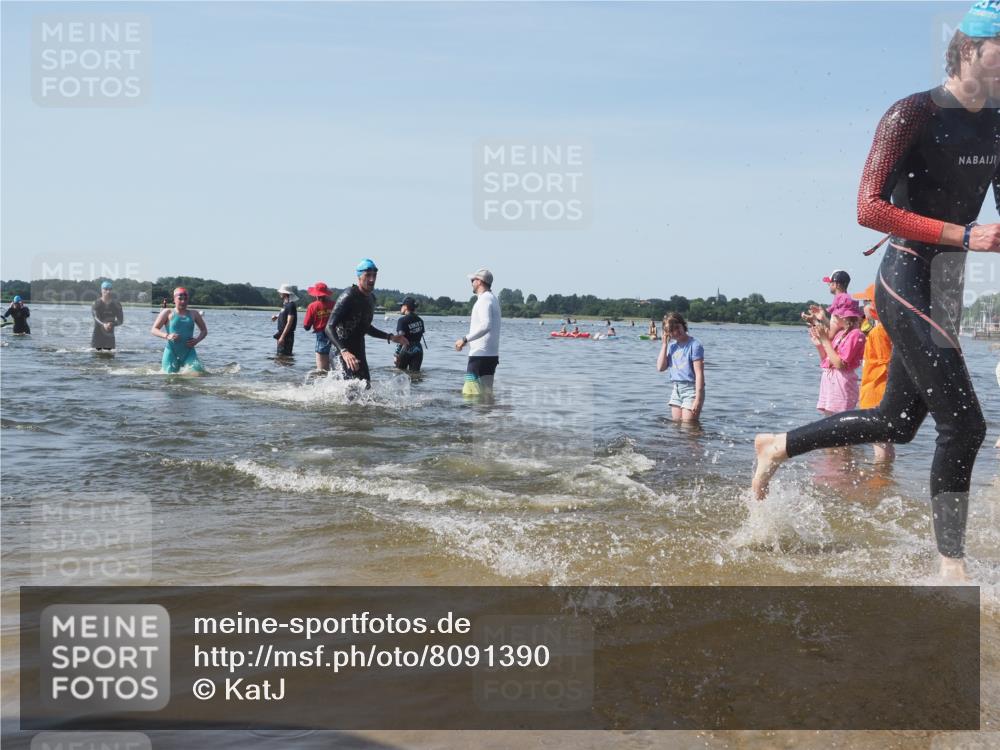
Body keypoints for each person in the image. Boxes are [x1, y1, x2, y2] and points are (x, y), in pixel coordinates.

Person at [754, 1, 1000, 580]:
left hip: (946, 286)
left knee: (896, 422)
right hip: (906, 275)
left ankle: (777, 445)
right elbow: (868, 207)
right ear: (969, 49)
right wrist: (964, 234)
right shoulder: (912, 113)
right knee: (965, 425)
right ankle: (951, 569)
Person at [324, 259, 408, 384]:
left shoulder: (371, 299)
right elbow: (329, 327)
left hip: (358, 349)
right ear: (359, 277)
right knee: (347, 388)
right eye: (368, 275)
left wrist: (390, 337)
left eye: (374, 275)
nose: (372, 279)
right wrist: (344, 351)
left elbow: (366, 327)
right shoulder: (348, 296)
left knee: (366, 386)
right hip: (341, 351)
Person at [853, 283, 895, 462]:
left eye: (865, 302)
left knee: (879, 443)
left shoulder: (878, 332)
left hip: (876, 391)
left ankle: (880, 475)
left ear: (873, 306)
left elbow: (886, 364)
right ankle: (886, 473)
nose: (863, 307)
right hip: (882, 391)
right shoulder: (888, 327)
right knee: (885, 442)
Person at [809, 294, 865, 416]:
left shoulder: (856, 334)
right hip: (830, 382)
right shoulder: (840, 334)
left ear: (842, 316)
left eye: (834, 315)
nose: (832, 318)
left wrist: (825, 341)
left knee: (839, 421)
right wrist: (819, 345)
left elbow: (840, 364)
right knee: (829, 421)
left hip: (841, 384)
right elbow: (827, 360)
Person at [455, 268, 501, 396]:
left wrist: (465, 339)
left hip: (479, 357)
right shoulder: (493, 299)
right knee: (486, 396)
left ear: (479, 281)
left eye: (473, 280)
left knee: (470, 395)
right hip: (491, 356)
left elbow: (486, 325)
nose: (471, 283)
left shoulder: (484, 300)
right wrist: (467, 343)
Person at [656, 313, 704, 422]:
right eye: (671, 330)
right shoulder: (672, 347)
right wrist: (664, 344)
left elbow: (699, 374)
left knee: (688, 426)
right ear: (667, 333)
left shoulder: (694, 345)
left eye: (677, 327)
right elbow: (660, 368)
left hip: (691, 390)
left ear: (683, 325)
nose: (675, 332)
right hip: (676, 389)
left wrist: (698, 398)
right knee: (677, 426)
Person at [151, 287, 207, 373]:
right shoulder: (167, 312)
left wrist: (197, 340)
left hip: (189, 352)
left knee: (197, 373)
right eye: (180, 299)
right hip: (171, 352)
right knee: (169, 377)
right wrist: (167, 336)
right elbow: (154, 329)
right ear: (174, 299)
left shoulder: (194, 314)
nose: (183, 301)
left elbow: (204, 330)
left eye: (185, 299)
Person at [302, 281, 335, 371]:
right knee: (337, 367)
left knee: (322, 370)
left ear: (316, 294)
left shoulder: (312, 306)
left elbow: (306, 326)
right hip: (335, 336)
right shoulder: (334, 304)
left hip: (322, 336)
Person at [394, 296, 426, 372]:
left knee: (399, 373)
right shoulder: (420, 320)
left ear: (405, 307)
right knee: (415, 374)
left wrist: (396, 354)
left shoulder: (402, 320)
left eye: (401, 306)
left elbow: (401, 337)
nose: (400, 308)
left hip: (406, 348)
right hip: (418, 349)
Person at [91, 281, 123, 350]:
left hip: (110, 336)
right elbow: (95, 317)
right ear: (101, 290)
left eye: (110, 289)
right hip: (97, 336)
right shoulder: (96, 303)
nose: (108, 291)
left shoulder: (117, 304)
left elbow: (120, 320)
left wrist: (112, 324)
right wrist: (103, 324)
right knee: (96, 354)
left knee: (110, 354)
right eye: (105, 289)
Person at [271, 283, 298, 357]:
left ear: (285, 293)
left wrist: (282, 337)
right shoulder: (285, 304)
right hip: (282, 334)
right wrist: (277, 316)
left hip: (286, 336)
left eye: (281, 292)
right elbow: (285, 313)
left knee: (283, 356)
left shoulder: (291, 305)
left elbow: (289, 322)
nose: (279, 293)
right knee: (280, 357)